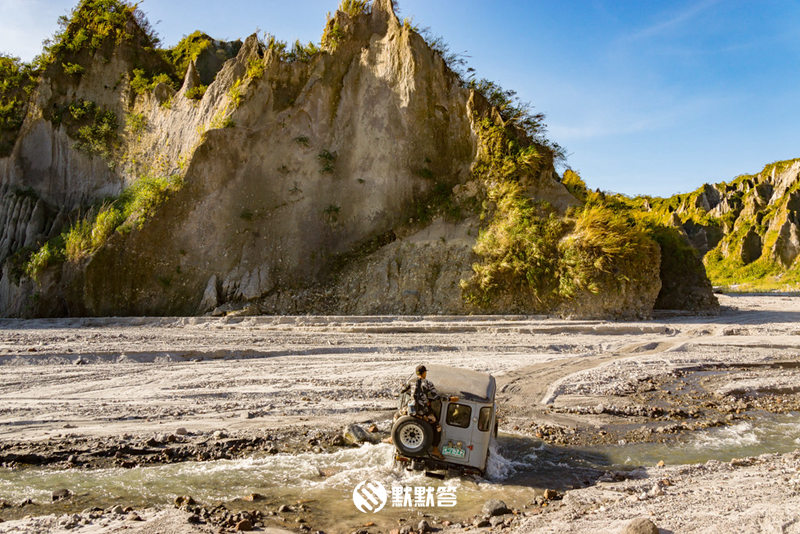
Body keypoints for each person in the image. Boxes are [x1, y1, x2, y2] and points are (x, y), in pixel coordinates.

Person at [404, 364, 458, 459]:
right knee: (437, 427)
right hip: (423, 412)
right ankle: (435, 450)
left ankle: (393, 438)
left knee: (398, 416)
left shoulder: (411, 381)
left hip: (411, 410)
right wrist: (450, 399)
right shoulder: (428, 383)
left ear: (417, 373)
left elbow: (402, 390)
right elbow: (437, 397)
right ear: (424, 373)